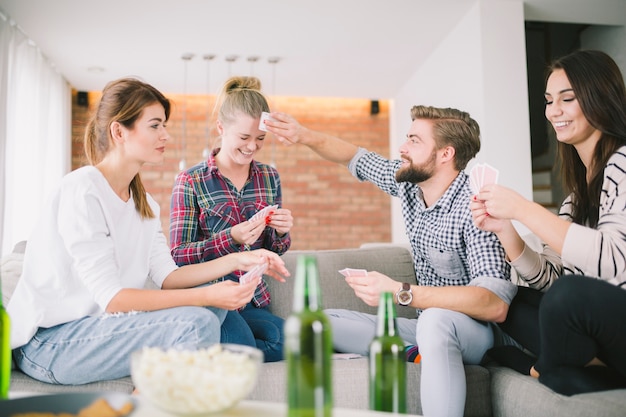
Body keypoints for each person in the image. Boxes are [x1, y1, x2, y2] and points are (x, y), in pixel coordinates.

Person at [7, 78, 289, 385]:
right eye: (155, 125)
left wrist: (238, 261)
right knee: (198, 321)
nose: (165, 135)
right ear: (119, 132)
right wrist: (208, 293)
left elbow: (169, 278)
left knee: (207, 309)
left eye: (164, 125)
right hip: (52, 343)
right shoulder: (83, 188)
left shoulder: (145, 205)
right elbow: (113, 299)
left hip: (101, 330)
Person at [265, 105, 517, 417]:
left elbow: (494, 304)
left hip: (476, 333)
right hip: (425, 328)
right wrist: (303, 135)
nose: (402, 148)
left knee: (437, 320)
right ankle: (414, 353)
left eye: (414, 140)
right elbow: (353, 156)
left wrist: (401, 290)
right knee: (322, 322)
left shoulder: (477, 206)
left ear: (445, 154)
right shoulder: (409, 184)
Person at [470, 49, 626, 396]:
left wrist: (525, 208)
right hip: (594, 331)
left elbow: (614, 261)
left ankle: (548, 368)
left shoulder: (623, 164)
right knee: (506, 300)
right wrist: (506, 229)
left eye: (567, 99)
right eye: (548, 100)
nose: (553, 111)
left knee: (569, 297)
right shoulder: (576, 196)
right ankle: (575, 370)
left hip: (618, 318)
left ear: (600, 97)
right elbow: (551, 280)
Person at [170, 76, 292, 363]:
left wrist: (281, 233)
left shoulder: (269, 177)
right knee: (244, 350)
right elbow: (178, 255)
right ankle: (210, 343)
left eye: (260, 139)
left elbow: (274, 251)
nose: (252, 147)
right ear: (221, 128)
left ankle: (206, 349)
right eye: (244, 138)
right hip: (209, 297)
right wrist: (231, 238)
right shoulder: (191, 180)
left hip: (251, 300)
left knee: (290, 344)